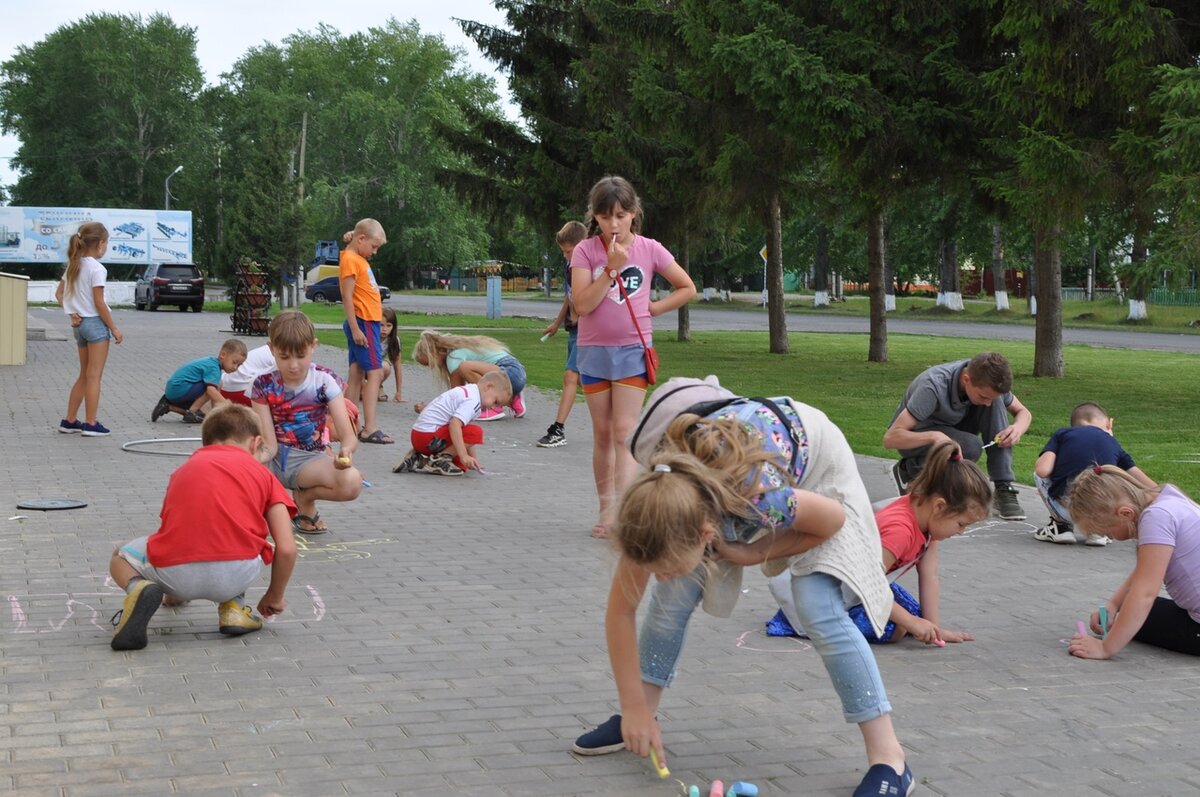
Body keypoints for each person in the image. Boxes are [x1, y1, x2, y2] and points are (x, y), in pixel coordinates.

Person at [572, 376, 912, 797]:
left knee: (816, 603)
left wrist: (754, 553)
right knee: (671, 596)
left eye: (666, 565)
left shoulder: (761, 497)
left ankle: (891, 760)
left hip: (817, 465)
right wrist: (632, 709)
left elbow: (831, 521)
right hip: (727, 473)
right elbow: (620, 612)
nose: (658, 573)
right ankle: (642, 720)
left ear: (704, 534)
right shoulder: (656, 504)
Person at [108, 403, 298, 651]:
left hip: (176, 575)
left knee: (120, 555)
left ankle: (139, 588)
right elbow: (286, 549)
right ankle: (234, 609)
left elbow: (172, 533)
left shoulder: (184, 470)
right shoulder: (264, 476)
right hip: (236, 573)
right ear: (255, 443)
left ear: (205, 442)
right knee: (246, 539)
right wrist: (274, 595)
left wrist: (173, 589)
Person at [569, 176, 697, 538]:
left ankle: (624, 513)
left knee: (624, 433)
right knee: (603, 434)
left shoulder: (650, 249)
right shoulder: (585, 252)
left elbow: (687, 287)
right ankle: (606, 509)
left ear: (634, 214)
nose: (614, 224)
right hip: (593, 352)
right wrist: (610, 268)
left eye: (621, 215)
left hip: (631, 352)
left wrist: (655, 308)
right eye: (606, 217)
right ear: (594, 217)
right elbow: (581, 305)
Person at [854, 441, 991, 645]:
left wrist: (934, 628)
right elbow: (866, 582)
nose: (961, 532)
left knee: (916, 618)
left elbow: (930, 576)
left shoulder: (927, 521)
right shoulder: (900, 530)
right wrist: (909, 622)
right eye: (961, 524)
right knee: (897, 628)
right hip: (836, 592)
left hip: (865, 585)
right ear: (939, 506)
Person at [1066, 466, 1200, 659]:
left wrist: (1105, 648)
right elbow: (1145, 570)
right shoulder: (1169, 498)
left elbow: (1145, 592)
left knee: (1134, 618)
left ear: (1126, 514)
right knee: (1129, 615)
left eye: (1107, 532)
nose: (1109, 537)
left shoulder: (1156, 518)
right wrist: (1113, 605)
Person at [883, 351, 1032, 521]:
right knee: (971, 446)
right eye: (983, 396)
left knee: (996, 404)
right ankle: (910, 470)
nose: (987, 402)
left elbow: (1024, 413)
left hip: (955, 428)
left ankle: (1004, 487)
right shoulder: (933, 385)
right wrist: (934, 436)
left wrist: (1017, 428)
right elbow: (891, 438)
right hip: (915, 439)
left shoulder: (991, 382)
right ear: (966, 379)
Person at [252, 310, 362, 534]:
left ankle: (305, 497)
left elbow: (348, 435)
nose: (293, 365)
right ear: (271, 348)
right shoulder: (262, 384)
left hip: (310, 462)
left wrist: (346, 454)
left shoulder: (324, 381)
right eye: (284, 356)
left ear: (313, 346)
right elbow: (270, 445)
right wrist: (248, 463)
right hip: (273, 459)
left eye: (300, 355)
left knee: (352, 482)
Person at [1033, 401, 1156, 547]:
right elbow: (1140, 478)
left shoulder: (1063, 434)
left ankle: (1060, 527)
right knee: (1110, 476)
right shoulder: (1112, 442)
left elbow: (1043, 470)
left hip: (1067, 509)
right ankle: (1098, 531)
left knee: (1037, 474)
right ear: (1110, 424)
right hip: (1103, 511)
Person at [55, 221, 123, 436]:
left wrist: (71, 312)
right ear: (101, 243)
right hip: (95, 325)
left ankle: (69, 420)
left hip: (79, 326)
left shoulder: (74, 265)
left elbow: (59, 294)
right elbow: (99, 302)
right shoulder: (97, 268)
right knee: (94, 376)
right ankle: (91, 423)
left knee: (84, 374)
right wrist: (114, 328)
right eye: (107, 243)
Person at [393, 370, 513, 476]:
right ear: (488, 387)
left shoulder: (469, 391)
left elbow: (464, 432)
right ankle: (439, 460)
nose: (493, 407)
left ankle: (417, 458)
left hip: (419, 437)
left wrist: (472, 459)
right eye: (496, 401)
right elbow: (455, 425)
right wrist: (463, 455)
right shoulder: (473, 400)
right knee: (476, 432)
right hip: (428, 437)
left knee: (462, 467)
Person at [339, 217, 391, 444]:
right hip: (363, 323)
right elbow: (347, 297)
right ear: (361, 240)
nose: (375, 252)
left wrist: (352, 234)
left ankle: (350, 424)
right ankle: (370, 428)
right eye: (374, 247)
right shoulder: (351, 259)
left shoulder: (354, 254)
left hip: (364, 323)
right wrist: (355, 328)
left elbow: (361, 234)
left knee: (356, 374)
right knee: (376, 373)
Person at [537, 220, 587, 448]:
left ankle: (558, 429)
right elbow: (570, 295)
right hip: (575, 329)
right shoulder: (571, 267)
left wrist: (580, 315)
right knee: (586, 383)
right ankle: (623, 421)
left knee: (570, 376)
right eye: (564, 252)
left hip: (588, 330)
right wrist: (558, 322)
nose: (566, 256)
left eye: (569, 251)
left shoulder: (589, 265)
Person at [411, 330, 527, 420]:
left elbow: (456, 394)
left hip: (509, 374)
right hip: (517, 374)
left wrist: (431, 409)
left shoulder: (454, 357)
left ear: (435, 353)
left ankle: (493, 407)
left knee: (465, 367)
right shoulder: (460, 349)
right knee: (468, 371)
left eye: (430, 363)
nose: (431, 368)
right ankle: (512, 397)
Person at [152, 339, 248, 423]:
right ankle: (192, 411)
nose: (235, 367)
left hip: (174, 391)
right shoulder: (214, 368)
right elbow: (211, 391)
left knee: (204, 417)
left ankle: (168, 406)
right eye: (234, 362)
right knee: (213, 387)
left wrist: (216, 413)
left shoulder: (212, 362)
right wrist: (229, 406)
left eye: (239, 365)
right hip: (179, 389)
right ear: (223, 355)